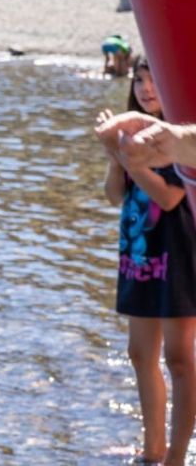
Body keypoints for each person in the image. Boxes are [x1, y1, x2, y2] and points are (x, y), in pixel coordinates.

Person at [94, 57, 196, 466]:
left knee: (179, 357)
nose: (146, 88)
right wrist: (115, 152)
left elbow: (170, 198)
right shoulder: (131, 134)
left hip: (179, 254)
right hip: (140, 254)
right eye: (139, 80)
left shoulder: (176, 136)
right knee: (140, 352)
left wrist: (133, 159)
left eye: (155, 79)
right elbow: (115, 195)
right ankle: (152, 449)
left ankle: (175, 455)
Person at [97, 114, 196, 175]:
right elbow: (115, 197)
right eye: (139, 80)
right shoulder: (132, 128)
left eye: (152, 81)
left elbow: (168, 201)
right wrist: (114, 155)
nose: (146, 88)